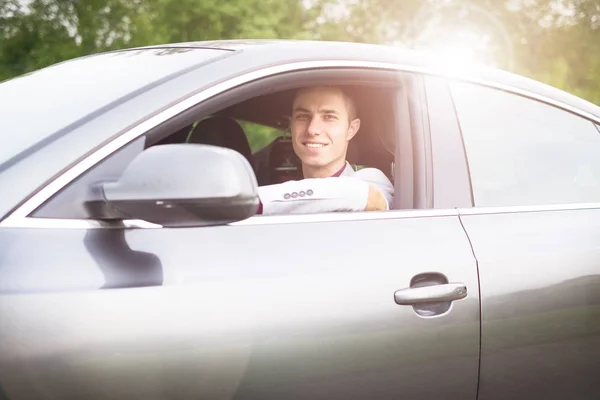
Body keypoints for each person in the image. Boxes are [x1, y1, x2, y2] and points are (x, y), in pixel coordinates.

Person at [257, 85, 394, 215]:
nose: (312, 129)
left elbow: (357, 194)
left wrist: (250, 201)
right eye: (303, 116)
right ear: (291, 125)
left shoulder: (372, 180)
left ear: (351, 130)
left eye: (329, 117)